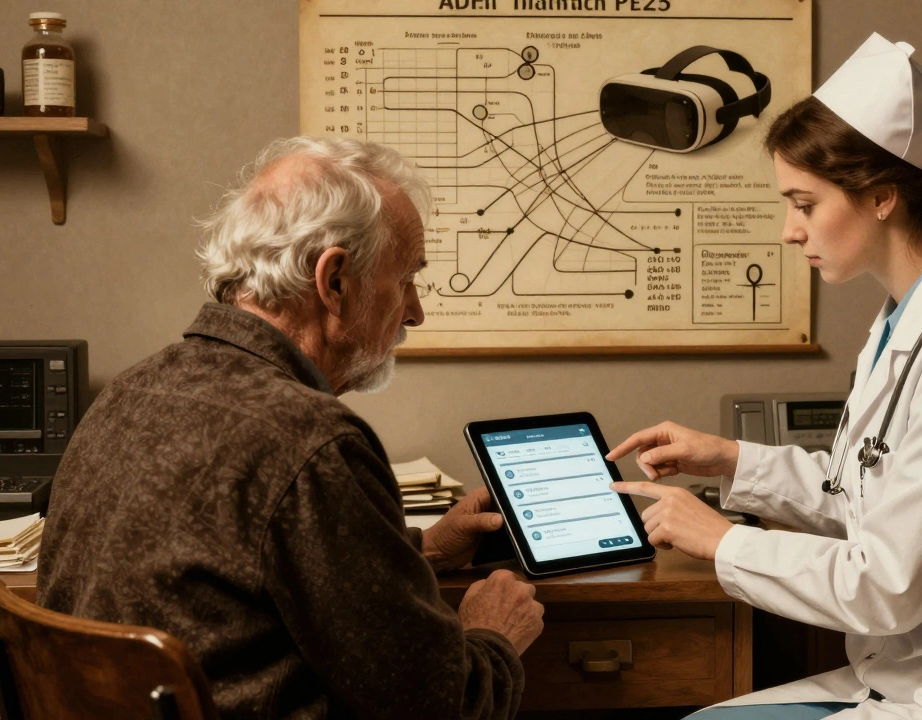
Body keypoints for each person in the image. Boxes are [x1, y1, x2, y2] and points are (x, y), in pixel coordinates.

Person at [608, 34, 922, 719]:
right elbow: (870, 499)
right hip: (919, 667)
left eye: (804, 203)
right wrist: (730, 458)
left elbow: (886, 584)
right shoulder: (905, 322)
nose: (789, 232)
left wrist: (721, 539)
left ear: (881, 197)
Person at [38, 136, 544, 720]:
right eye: (405, 279)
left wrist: (422, 550)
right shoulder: (312, 441)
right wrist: (491, 635)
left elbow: (237, 581)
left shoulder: (129, 392)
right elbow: (444, 707)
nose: (415, 311)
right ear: (334, 282)